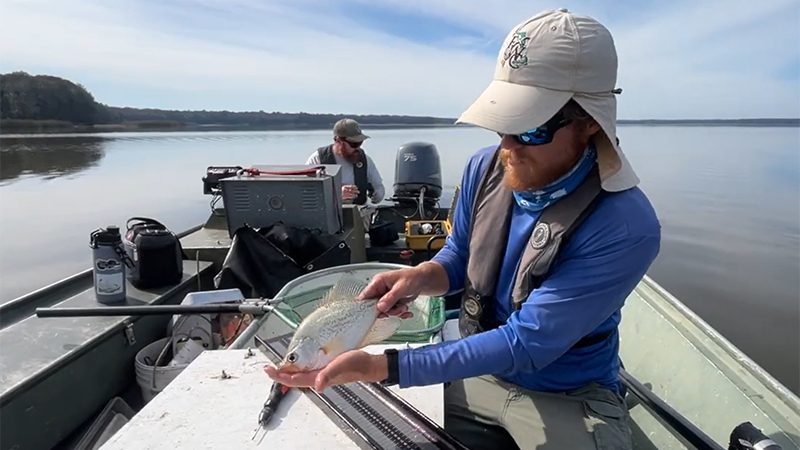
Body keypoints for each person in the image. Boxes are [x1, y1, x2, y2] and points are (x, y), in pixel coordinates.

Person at [269, 8, 661, 450]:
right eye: (502, 124)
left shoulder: (626, 225)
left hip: (569, 393)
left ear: (590, 122)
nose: (507, 147)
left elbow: (527, 343)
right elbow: (459, 257)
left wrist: (386, 367)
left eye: (530, 128)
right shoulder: (483, 169)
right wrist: (417, 277)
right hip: (478, 372)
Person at [306, 118, 385, 205]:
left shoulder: (365, 160)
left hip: (359, 213)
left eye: (360, 143)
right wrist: (337, 194)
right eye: (353, 144)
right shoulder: (318, 159)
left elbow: (378, 185)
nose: (357, 148)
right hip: (328, 213)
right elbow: (307, 194)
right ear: (338, 141)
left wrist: (378, 193)